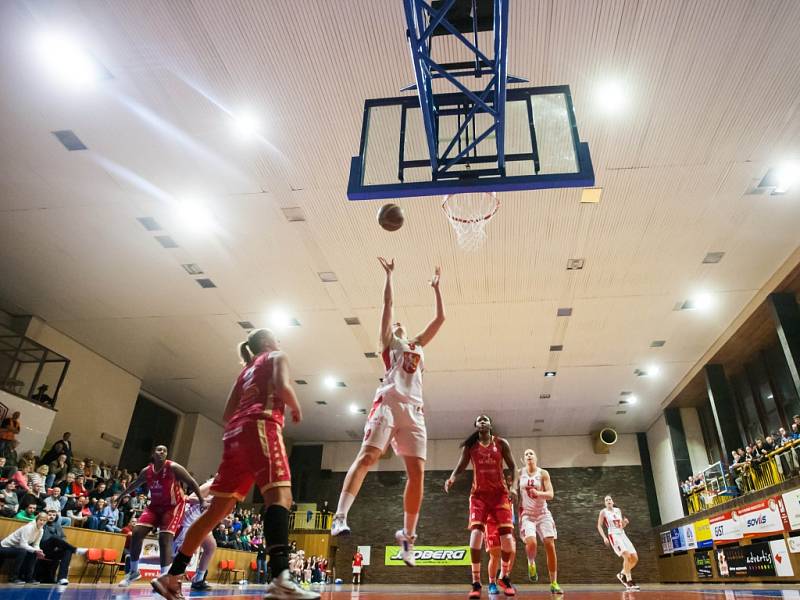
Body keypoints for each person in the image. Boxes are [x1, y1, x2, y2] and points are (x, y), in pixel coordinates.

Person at [151, 328, 318, 600]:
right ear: (266, 342)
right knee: (280, 496)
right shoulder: (276, 355)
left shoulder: (245, 370)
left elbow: (228, 413)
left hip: (234, 434)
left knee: (216, 512)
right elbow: (284, 386)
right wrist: (295, 406)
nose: (280, 341)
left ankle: (172, 575)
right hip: (261, 424)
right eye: (276, 337)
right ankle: (281, 578)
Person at [331, 259, 444, 566]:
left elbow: (440, 318)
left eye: (400, 324)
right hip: (390, 402)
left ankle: (407, 537)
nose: (397, 324)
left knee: (418, 474)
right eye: (395, 325)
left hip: (414, 410)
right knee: (367, 457)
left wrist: (437, 288)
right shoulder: (388, 344)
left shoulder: (418, 345)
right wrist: (390, 275)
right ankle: (340, 516)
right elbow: (388, 304)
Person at [445, 415, 517, 599]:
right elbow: (461, 465)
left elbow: (513, 467)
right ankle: (476, 583)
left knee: (508, 540)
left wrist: (513, 487)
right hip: (479, 497)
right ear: (476, 426)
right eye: (479, 420)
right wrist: (452, 477)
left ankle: (505, 577)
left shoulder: (501, 443)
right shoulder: (471, 447)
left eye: (485, 419)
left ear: (491, 424)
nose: (482, 422)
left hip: (500, 495)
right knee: (476, 535)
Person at [117, 445, 202, 586]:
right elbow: (135, 484)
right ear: (153, 453)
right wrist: (120, 496)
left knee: (164, 538)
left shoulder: (174, 467)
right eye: (159, 450)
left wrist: (202, 500)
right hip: (155, 506)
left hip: (173, 506)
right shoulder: (147, 471)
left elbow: (192, 482)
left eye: (165, 451)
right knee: (136, 533)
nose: (162, 452)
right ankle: (133, 572)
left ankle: (164, 577)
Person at [517, 449, 562, 594]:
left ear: (536, 458)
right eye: (526, 454)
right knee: (532, 543)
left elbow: (550, 494)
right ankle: (531, 563)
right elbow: (510, 488)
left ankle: (554, 582)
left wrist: (538, 493)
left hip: (543, 513)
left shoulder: (543, 473)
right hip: (527, 514)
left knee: (550, 544)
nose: (529, 455)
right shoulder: (519, 473)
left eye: (531, 453)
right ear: (523, 460)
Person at [172, 478, 217, 591]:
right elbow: (188, 498)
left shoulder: (224, 490)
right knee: (173, 557)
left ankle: (198, 580)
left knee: (210, 546)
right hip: (188, 521)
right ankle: (140, 559)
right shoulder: (210, 484)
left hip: (200, 520)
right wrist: (205, 501)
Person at [597, 495, 639, 590]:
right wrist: (604, 537)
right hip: (613, 535)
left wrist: (625, 523)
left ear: (612, 501)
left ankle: (622, 574)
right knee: (627, 556)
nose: (608, 501)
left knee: (635, 558)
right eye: (606, 500)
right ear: (605, 503)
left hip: (622, 534)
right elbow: (599, 526)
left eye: (610, 499)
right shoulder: (603, 512)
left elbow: (621, 526)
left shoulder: (618, 510)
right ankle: (629, 581)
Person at [0, 511, 48, 583]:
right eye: (40, 520)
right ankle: (13, 578)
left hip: (16, 548)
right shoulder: (29, 527)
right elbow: (23, 544)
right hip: (4, 546)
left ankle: (28, 578)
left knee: (34, 553)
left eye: (44, 521)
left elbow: (36, 544)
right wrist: (35, 550)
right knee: (23, 551)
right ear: (36, 519)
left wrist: (39, 551)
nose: (42, 522)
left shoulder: (41, 530)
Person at [41, 507, 83, 585]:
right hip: (43, 548)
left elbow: (63, 538)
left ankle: (62, 578)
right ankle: (75, 549)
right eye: (50, 515)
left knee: (67, 551)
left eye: (54, 515)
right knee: (54, 538)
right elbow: (43, 538)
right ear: (46, 516)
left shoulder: (58, 526)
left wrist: (60, 546)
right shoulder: (43, 523)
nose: (52, 516)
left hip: (54, 550)